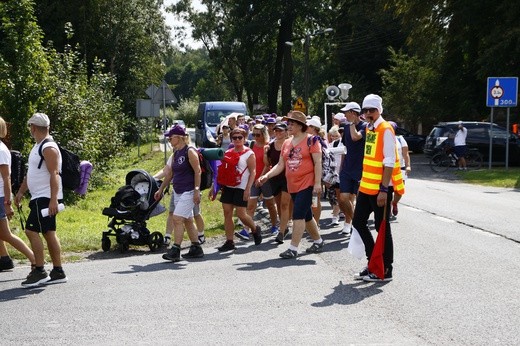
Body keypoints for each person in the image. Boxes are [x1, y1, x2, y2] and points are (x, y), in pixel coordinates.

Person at [352, 94, 405, 282]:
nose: (368, 114)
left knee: (382, 228)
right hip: (366, 186)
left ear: (379, 110)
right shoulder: (369, 128)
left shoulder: (386, 129)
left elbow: (389, 162)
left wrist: (384, 189)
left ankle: (386, 269)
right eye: (365, 110)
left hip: (380, 189)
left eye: (371, 110)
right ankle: (372, 263)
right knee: (358, 223)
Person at [258, 111, 324, 259]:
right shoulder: (287, 143)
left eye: (292, 123)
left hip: (307, 183)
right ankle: (318, 242)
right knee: (306, 216)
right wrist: (267, 176)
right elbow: (281, 165)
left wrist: (318, 183)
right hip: (292, 185)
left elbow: (318, 162)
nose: (289, 126)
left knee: (298, 214)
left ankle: (293, 248)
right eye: (288, 123)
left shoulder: (312, 141)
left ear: (301, 126)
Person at [14, 113, 67, 287]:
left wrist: (53, 200)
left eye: (30, 127)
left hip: (45, 198)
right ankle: (58, 271)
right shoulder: (38, 146)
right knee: (48, 232)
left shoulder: (48, 147)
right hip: (40, 197)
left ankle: (39, 270)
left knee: (31, 230)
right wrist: (21, 192)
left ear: (33, 128)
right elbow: (31, 174)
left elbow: (55, 174)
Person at [155, 125, 204, 261]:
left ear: (179, 137)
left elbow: (197, 171)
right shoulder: (176, 153)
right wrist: (161, 189)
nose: (169, 140)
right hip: (178, 191)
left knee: (177, 219)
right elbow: (169, 174)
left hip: (189, 191)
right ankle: (196, 247)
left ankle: (176, 250)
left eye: (171, 138)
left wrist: (196, 190)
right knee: (187, 220)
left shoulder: (190, 151)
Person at [211, 127, 262, 252]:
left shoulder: (249, 153)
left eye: (240, 137)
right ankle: (229, 241)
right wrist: (215, 186)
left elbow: (253, 171)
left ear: (244, 138)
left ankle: (255, 229)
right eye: (235, 137)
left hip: (242, 187)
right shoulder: (228, 152)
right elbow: (220, 171)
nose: (237, 140)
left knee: (241, 214)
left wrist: (248, 189)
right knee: (227, 213)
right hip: (228, 186)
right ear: (231, 139)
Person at [0, 117, 36, 272]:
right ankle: (4, 259)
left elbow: (6, 177)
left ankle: (35, 259)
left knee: (6, 234)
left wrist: (7, 203)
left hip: (0, 197)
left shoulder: (1, 150)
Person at [236, 124, 279, 240]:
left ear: (263, 134)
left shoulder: (268, 146)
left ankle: (275, 226)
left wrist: (261, 177)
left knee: (270, 205)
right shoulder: (251, 145)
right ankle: (246, 229)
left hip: (265, 178)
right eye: (253, 134)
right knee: (250, 206)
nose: (255, 137)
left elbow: (267, 164)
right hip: (253, 179)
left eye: (258, 135)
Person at [338, 102, 367, 237]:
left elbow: (356, 137)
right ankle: (356, 223)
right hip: (347, 168)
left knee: (354, 199)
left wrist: (351, 124)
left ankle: (354, 225)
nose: (345, 115)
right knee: (343, 198)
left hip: (360, 169)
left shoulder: (365, 126)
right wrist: (341, 167)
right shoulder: (347, 126)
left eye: (346, 112)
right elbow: (345, 149)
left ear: (354, 113)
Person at [266, 122, 292, 244]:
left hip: (288, 177)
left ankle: (281, 232)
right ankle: (284, 226)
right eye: (276, 131)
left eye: (281, 131)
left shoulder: (291, 144)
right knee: (278, 204)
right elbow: (268, 163)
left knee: (285, 204)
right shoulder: (270, 145)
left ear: (286, 131)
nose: (278, 133)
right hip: (275, 178)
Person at [388, 121, 411, 216]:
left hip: (399, 168)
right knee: (388, 191)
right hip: (387, 168)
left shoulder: (400, 139)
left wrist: (408, 166)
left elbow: (406, 154)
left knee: (399, 191)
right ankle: (387, 211)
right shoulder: (382, 138)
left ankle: (395, 203)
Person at [326, 125, 346, 226]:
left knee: (344, 197)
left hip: (344, 173)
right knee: (333, 197)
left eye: (336, 135)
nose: (334, 137)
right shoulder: (332, 144)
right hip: (333, 173)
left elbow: (344, 151)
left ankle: (341, 215)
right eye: (332, 136)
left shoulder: (346, 143)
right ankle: (336, 215)